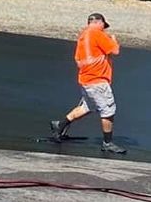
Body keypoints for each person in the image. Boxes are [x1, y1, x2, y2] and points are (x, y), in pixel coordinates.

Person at [50, 11, 126, 154]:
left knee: (87, 106)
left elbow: (79, 60)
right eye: (104, 25)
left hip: (86, 79)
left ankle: (59, 125)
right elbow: (114, 50)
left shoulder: (83, 36)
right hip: (97, 80)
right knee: (108, 110)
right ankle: (107, 143)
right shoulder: (97, 33)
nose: (104, 28)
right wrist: (114, 40)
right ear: (99, 22)